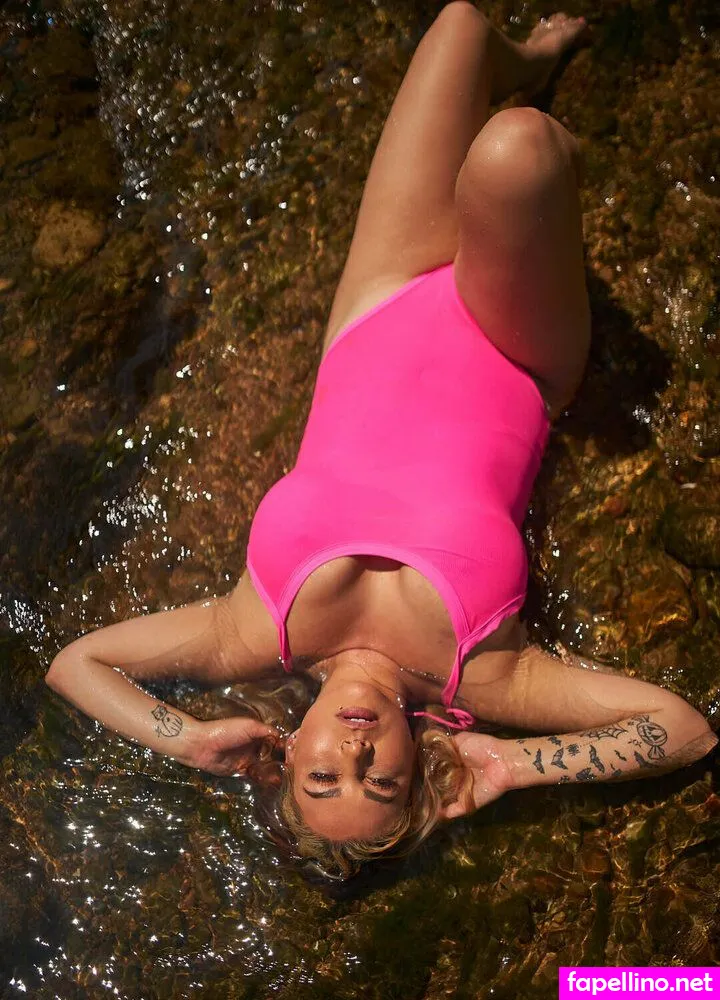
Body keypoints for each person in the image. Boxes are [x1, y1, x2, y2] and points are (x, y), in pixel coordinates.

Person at [46, 2, 717, 879]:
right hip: (515, 347)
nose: (356, 754)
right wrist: (513, 765)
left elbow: (77, 664)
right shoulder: (488, 678)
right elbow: (682, 729)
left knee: (461, 25)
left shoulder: (248, 634)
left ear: (292, 749)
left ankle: (526, 59)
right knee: (517, 149)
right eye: (383, 781)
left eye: (325, 777)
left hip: (380, 296)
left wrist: (192, 740)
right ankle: (556, 186)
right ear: (419, 771)